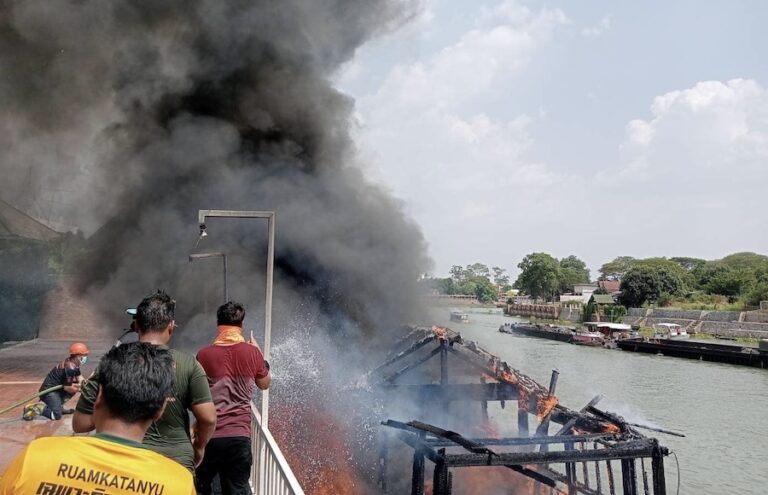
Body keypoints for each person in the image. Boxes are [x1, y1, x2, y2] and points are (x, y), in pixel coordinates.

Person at [0, 343, 195, 494]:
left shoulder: (35, 456)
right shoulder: (178, 483)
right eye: (83, 356)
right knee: (55, 412)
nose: (84, 358)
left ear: (99, 397)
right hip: (52, 393)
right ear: (160, 409)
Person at [73, 291, 217, 472]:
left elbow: (80, 423)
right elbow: (208, 418)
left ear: (136, 325)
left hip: (120, 464)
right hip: (175, 464)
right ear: (171, 326)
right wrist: (199, 447)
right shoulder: (189, 365)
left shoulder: (112, 362)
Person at [195, 301, 271, 495]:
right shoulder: (252, 353)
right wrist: (259, 354)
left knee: (201, 487)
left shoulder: (203, 355)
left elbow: (197, 393)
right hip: (239, 437)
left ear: (218, 325)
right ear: (241, 325)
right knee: (237, 489)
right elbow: (264, 384)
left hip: (210, 435)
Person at [23, 342, 89, 421]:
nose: (86, 357)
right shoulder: (70, 367)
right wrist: (82, 390)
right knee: (56, 415)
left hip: (57, 390)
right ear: (78, 356)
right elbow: (68, 388)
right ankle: (36, 408)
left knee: (74, 387)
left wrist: (85, 383)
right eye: (84, 355)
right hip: (48, 392)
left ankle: (58, 406)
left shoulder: (74, 364)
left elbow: (79, 377)